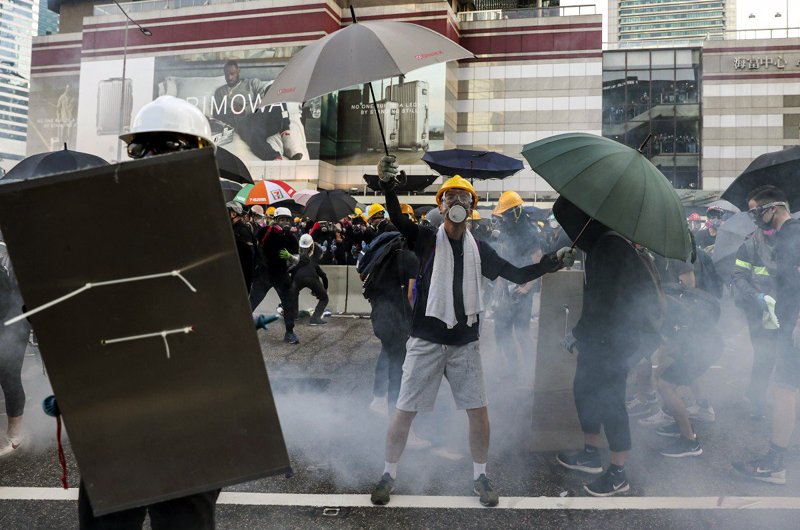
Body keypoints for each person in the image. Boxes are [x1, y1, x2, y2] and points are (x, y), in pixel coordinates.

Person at [369, 158, 574, 507]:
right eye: (451, 199)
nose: (457, 204)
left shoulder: (481, 249)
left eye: (464, 199)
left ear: (471, 208)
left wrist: (553, 261)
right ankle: (388, 473)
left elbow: (518, 274)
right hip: (426, 341)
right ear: (441, 206)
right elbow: (399, 218)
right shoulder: (425, 239)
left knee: (478, 412)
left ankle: (480, 476)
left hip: (465, 343)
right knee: (404, 410)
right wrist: (388, 185)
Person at [77, 95, 222, 529]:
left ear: (197, 156)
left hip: (189, 413)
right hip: (116, 412)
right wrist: (71, 379)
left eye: (167, 147)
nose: (151, 159)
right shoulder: (96, 229)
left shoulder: (217, 231)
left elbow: (216, 319)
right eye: (142, 149)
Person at [556, 198, 662, 497]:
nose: (570, 232)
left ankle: (618, 472)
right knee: (584, 390)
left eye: (571, 225)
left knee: (610, 400)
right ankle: (591, 452)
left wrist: (577, 332)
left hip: (618, 338)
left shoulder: (610, 247)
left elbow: (603, 302)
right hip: (600, 336)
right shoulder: (598, 245)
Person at [734, 185, 800, 485]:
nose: (754, 217)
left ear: (772, 208)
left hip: (794, 325)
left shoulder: (792, 235)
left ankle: (775, 463)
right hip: (784, 321)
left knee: (784, 389)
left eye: (755, 211)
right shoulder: (785, 235)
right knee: (786, 388)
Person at [648, 283, 722, 458]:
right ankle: (686, 416)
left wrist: (659, 371)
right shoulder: (665, 293)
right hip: (708, 345)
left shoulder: (661, 306)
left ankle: (690, 441)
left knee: (665, 385)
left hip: (702, 350)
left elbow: (670, 347)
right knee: (672, 379)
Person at [732, 206, 779, 419]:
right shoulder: (748, 246)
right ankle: (757, 398)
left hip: (788, 309)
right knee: (765, 355)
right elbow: (739, 277)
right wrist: (756, 296)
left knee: (787, 355)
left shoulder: (792, 242)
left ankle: (784, 397)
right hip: (759, 312)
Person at [491, 191, 543, 376]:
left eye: (505, 214)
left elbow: (539, 263)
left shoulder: (530, 233)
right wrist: (499, 286)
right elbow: (503, 259)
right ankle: (513, 369)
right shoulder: (506, 232)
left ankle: (531, 371)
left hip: (523, 290)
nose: (503, 218)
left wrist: (528, 286)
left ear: (515, 213)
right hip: (507, 288)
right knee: (501, 331)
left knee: (521, 332)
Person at [0, 231, 32, 458]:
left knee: (8, 371)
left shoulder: (6, 244)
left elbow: (16, 282)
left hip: (13, 317)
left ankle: (16, 434)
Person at [250, 206, 300, 344]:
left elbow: (296, 259)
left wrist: (290, 257)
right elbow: (254, 246)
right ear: (276, 220)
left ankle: (289, 332)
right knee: (252, 301)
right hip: (264, 274)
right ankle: (241, 328)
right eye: (282, 219)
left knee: (288, 303)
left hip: (281, 275)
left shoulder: (291, 238)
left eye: (288, 220)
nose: (286, 223)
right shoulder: (265, 232)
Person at [292, 234, 329, 326]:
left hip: (297, 278)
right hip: (312, 278)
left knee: (293, 294)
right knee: (324, 298)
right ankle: (315, 318)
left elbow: (292, 273)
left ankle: (293, 315)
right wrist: (324, 290)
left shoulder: (297, 259)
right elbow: (323, 276)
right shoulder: (314, 259)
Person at [227, 201, 256, 291]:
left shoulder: (242, 231)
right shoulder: (234, 229)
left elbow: (250, 257)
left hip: (241, 279)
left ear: (233, 214)